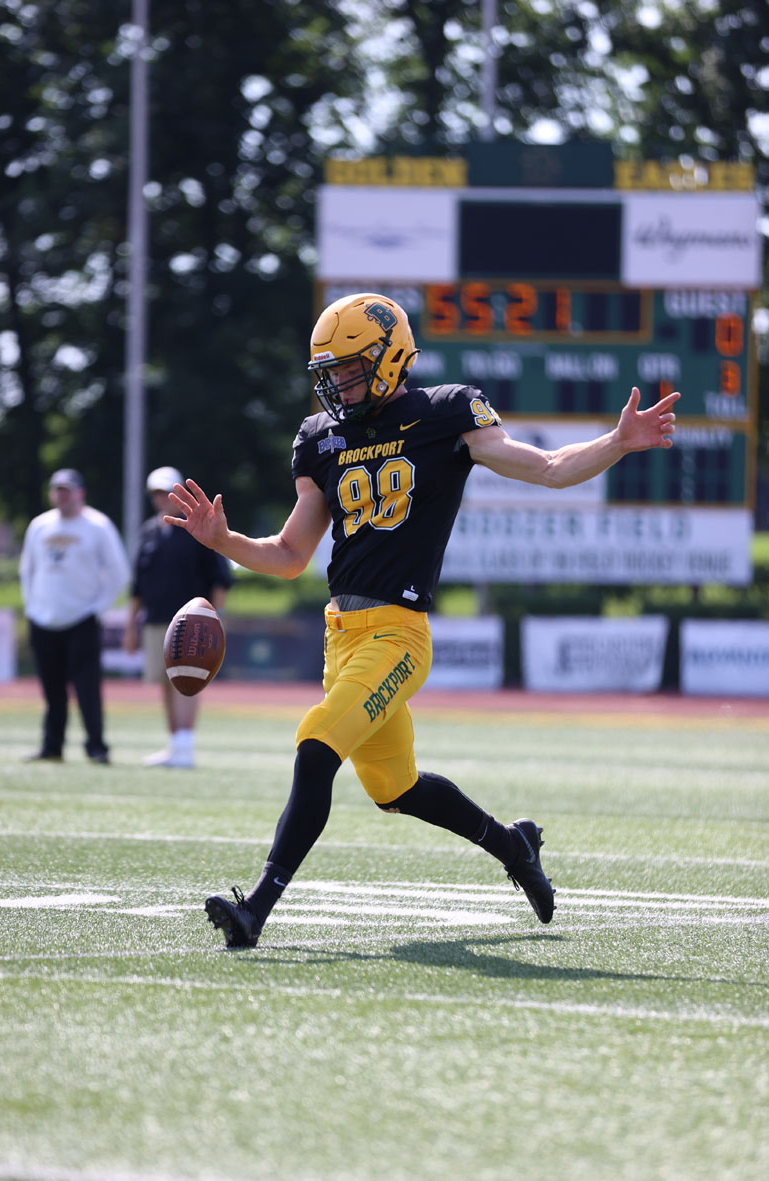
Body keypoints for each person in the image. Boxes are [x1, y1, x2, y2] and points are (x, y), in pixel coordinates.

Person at [166, 293, 679, 948]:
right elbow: (290, 554)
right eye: (331, 373)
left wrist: (616, 440)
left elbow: (546, 469)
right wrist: (224, 540)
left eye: (350, 369)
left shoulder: (444, 412)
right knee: (395, 788)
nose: (338, 384)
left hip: (398, 634)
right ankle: (514, 846)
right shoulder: (320, 437)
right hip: (341, 638)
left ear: (390, 356)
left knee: (316, 742)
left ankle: (255, 909)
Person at [123, 465, 233, 768]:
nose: (160, 498)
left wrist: (217, 617)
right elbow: (137, 586)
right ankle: (174, 745)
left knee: (186, 680)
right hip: (157, 619)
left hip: (192, 623)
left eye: (165, 491)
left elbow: (220, 578)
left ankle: (185, 746)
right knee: (165, 680)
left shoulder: (197, 529)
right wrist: (131, 626)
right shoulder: (147, 531)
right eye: (156, 492)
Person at [20, 468, 130, 764]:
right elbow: (27, 570)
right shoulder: (39, 526)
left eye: (67, 489)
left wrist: (96, 608)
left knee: (87, 688)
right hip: (43, 619)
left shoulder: (97, 525)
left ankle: (96, 747)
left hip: (81, 619)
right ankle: (51, 746)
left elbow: (119, 573)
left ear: (80, 493)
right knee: (51, 688)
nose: (61, 495)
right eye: (57, 489)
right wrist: (32, 607)